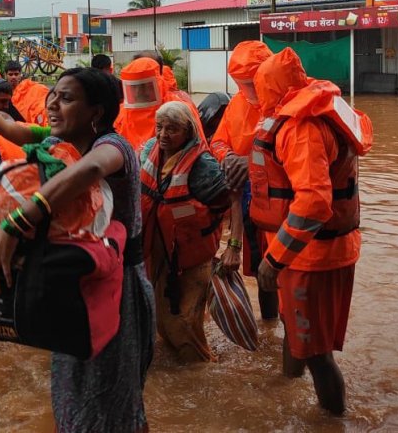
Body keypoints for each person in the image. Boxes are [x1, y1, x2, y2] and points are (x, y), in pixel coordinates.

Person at [0, 68, 154, 432]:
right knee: (76, 392)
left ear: (96, 111)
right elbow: (16, 132)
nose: (52, 103)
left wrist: (14, 225)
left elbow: (89, 171)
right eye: (53, 94)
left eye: (66, 98)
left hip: (117, 290)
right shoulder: (58, 143)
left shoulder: (114, 148)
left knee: (110, 399)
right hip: (75, 285)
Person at [251, 48, 373, 415]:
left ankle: (332, 422)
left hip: (313, 256)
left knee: (318, 353)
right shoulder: (310, 110)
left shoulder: (302, 128)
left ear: (271, 89)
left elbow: (314, 204)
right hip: (311, 251)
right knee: (295, 329)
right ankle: (286, 390)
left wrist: (274, 259)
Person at [139, 101, 242, 363]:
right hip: (157, 249)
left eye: (172, 129)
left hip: (191, 257)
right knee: (159, 315)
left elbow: (234, 199)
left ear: (188, 132)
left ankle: (199, 372)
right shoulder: (150, 150)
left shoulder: (203, 166)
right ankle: (180, 367)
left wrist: (234, 246)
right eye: (159, 127)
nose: (163, 135)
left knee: (184, 321)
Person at [208, 40, 279, 320]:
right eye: (241, 82)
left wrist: (246, 162)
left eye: (252, 82)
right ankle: (270, 327)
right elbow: (218, 141)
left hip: (282, 202)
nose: (248, 89)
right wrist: (228, 157)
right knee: (261, 268)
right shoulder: (237, 103)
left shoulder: (286, 103)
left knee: (284, 270)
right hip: (249, 201)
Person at [114, 57, 205, 150]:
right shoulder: (121, 113)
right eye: (134, 87)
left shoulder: (180, 109)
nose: (138, 92)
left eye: (143, 86)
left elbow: (199, 147)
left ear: (158, 83)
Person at [6, 60, 50, 125]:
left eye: (16, 74)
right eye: (10, 74)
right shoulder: (3, 92)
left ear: (20, 75)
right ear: (5, 75)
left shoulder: (29, 87)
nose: (13, 77)